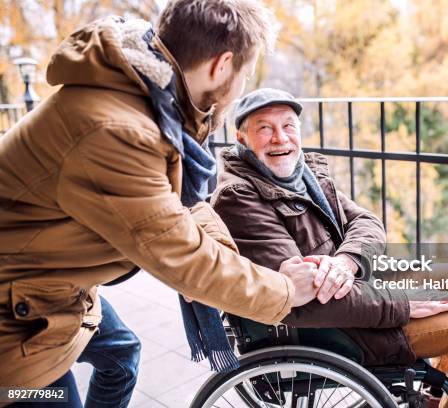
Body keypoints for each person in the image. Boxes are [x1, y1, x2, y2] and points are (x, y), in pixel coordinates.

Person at [0, 2, 319, 407]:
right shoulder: (114, 131)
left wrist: (241, 262)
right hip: (15, 321)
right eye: (246, 74)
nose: (242, 87)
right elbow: (183, 257)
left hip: (51, 284)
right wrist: (284, 292)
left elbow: (186, 205)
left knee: (121, 355)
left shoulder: (152, 97)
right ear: (222, 66)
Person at [211, 87, 448, 408]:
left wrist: (346, 261)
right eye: (264, 128)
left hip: (358, 293)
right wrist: (403, 304)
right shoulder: (240, 197)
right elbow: (299, 302)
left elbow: (367, 222)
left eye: (288, 126)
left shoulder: (302, 176)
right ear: (241, 138)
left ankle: (435, 400)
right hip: (343, 328)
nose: (280, 138)